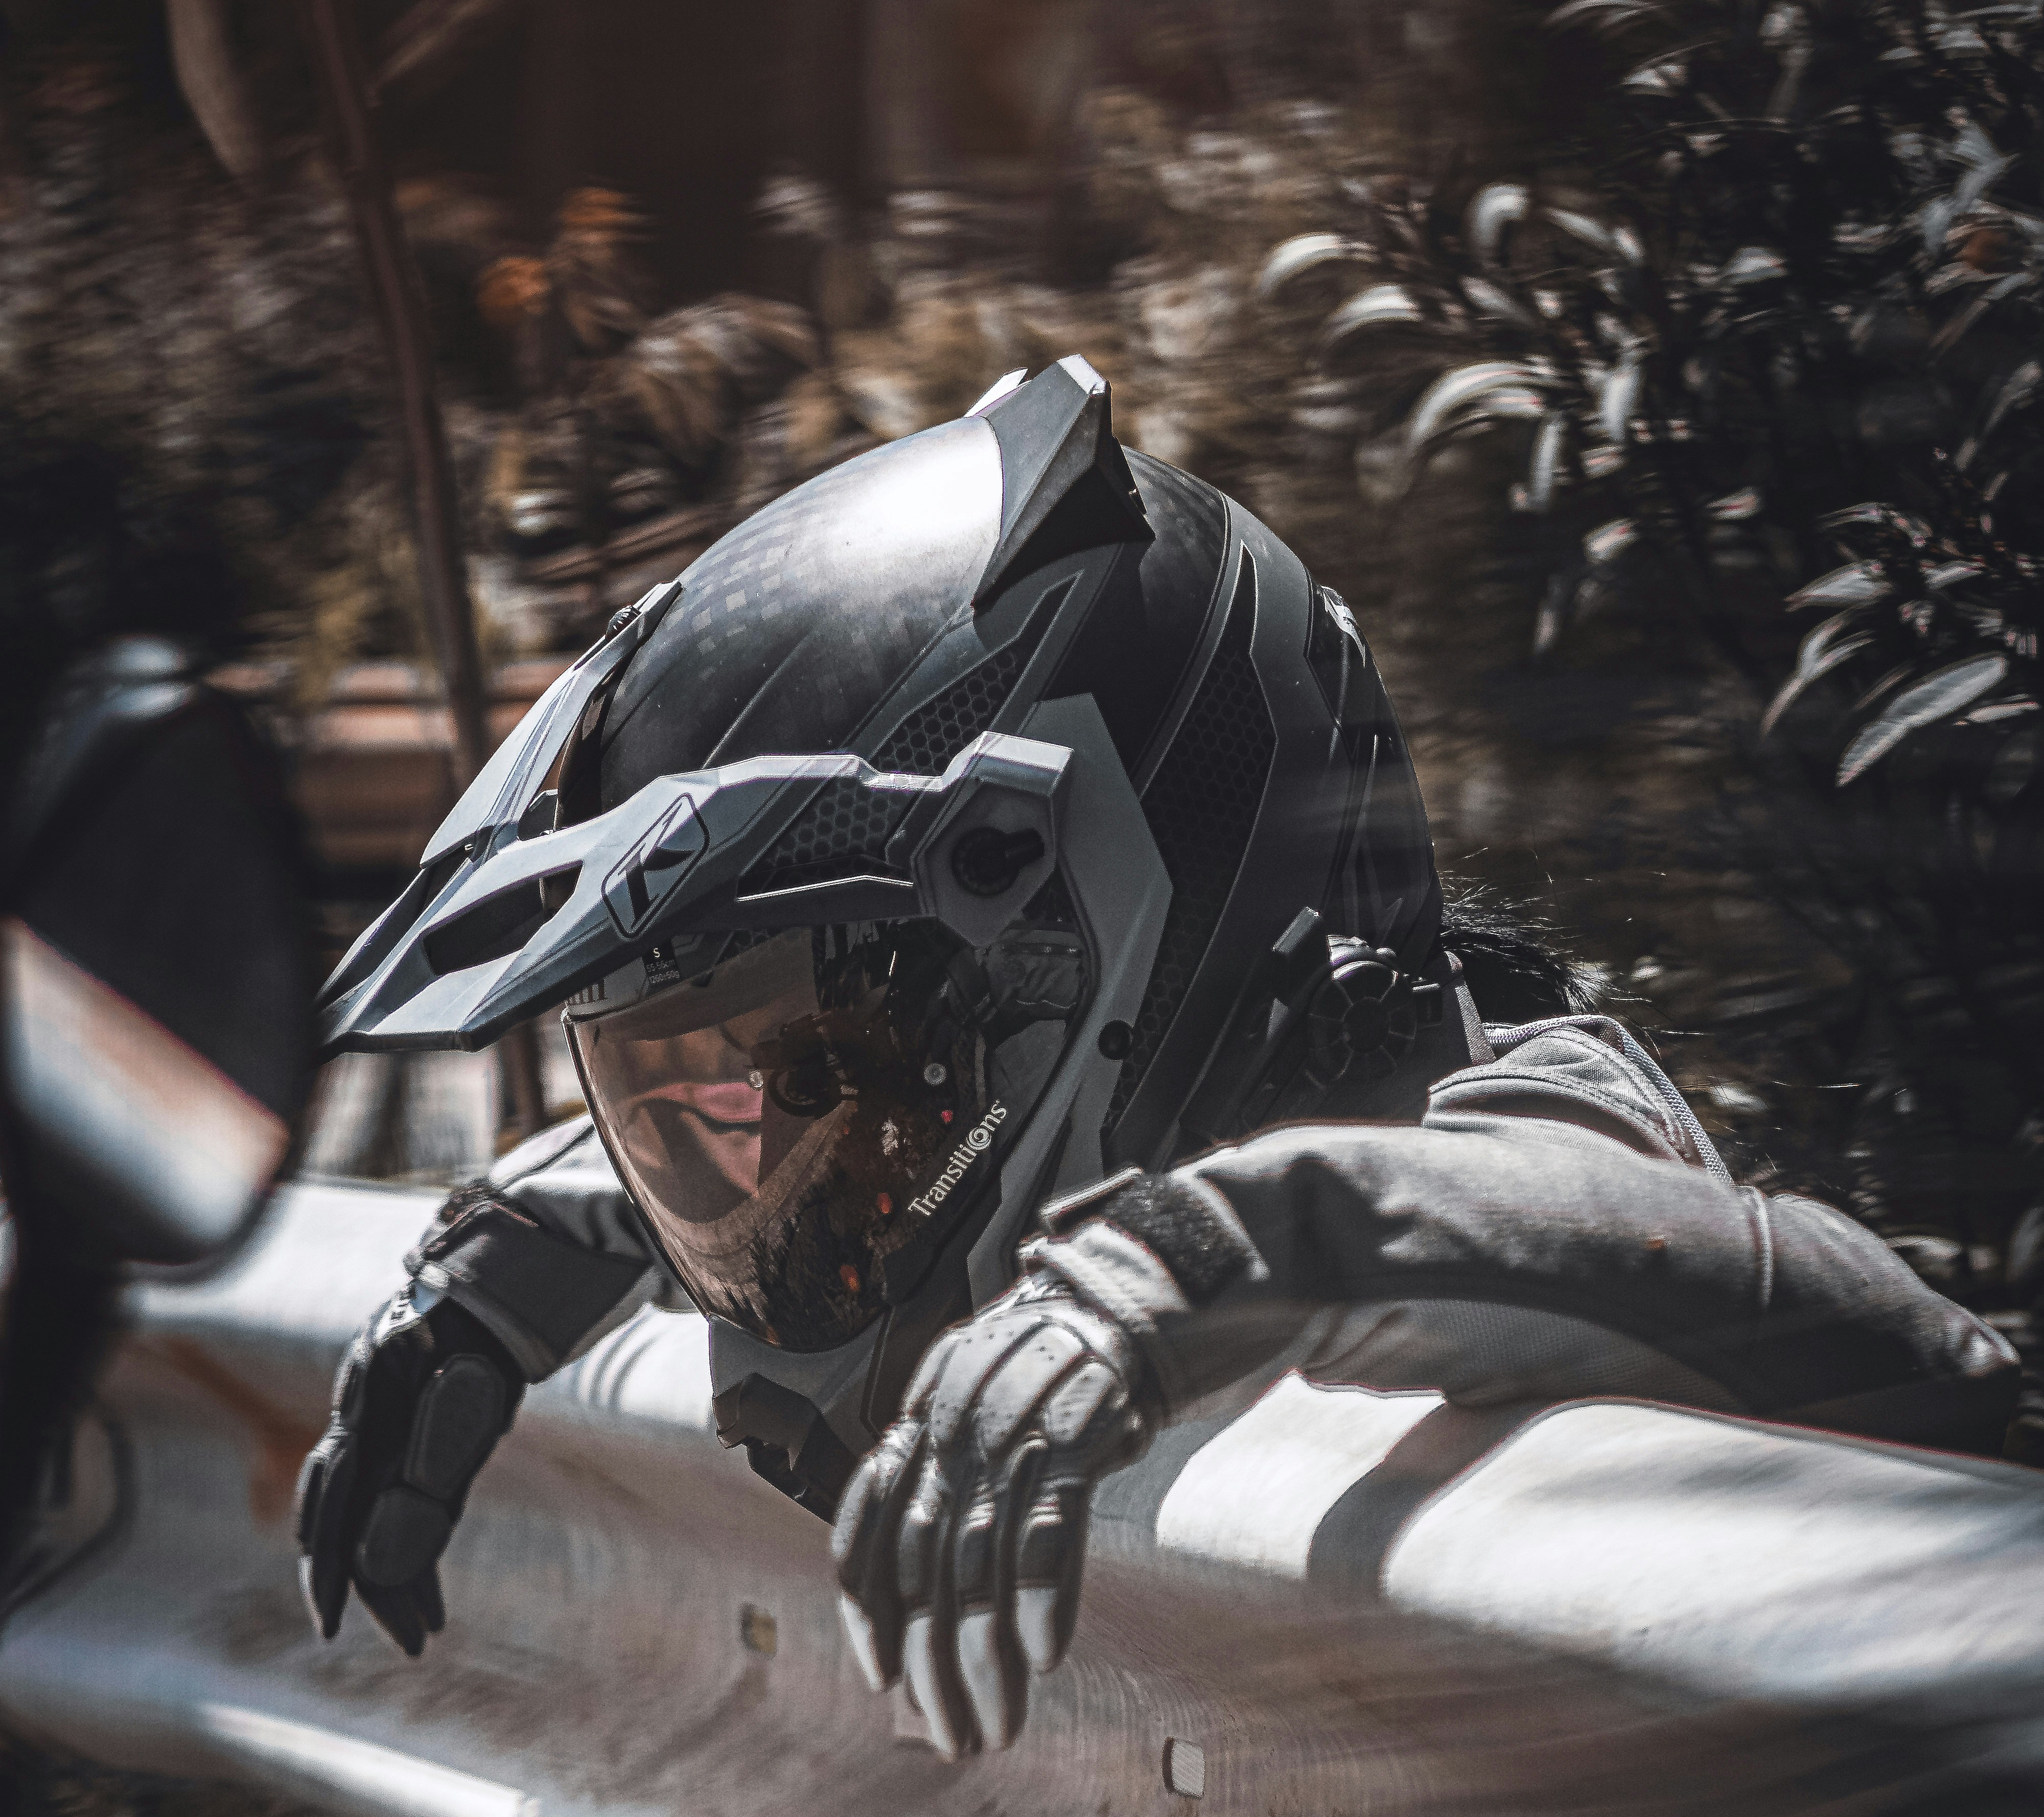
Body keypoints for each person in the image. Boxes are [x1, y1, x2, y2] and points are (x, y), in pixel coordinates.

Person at [297, 359, 2017, 1722]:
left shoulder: (1526, 1115)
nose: (757, 1167)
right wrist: (533, 1232)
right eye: (690, 1102)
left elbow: (1702, 1264)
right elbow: (833, 1163)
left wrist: (1171, 1271)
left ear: (1085, 929)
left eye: (846, 1058)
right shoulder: (1096, 1139)